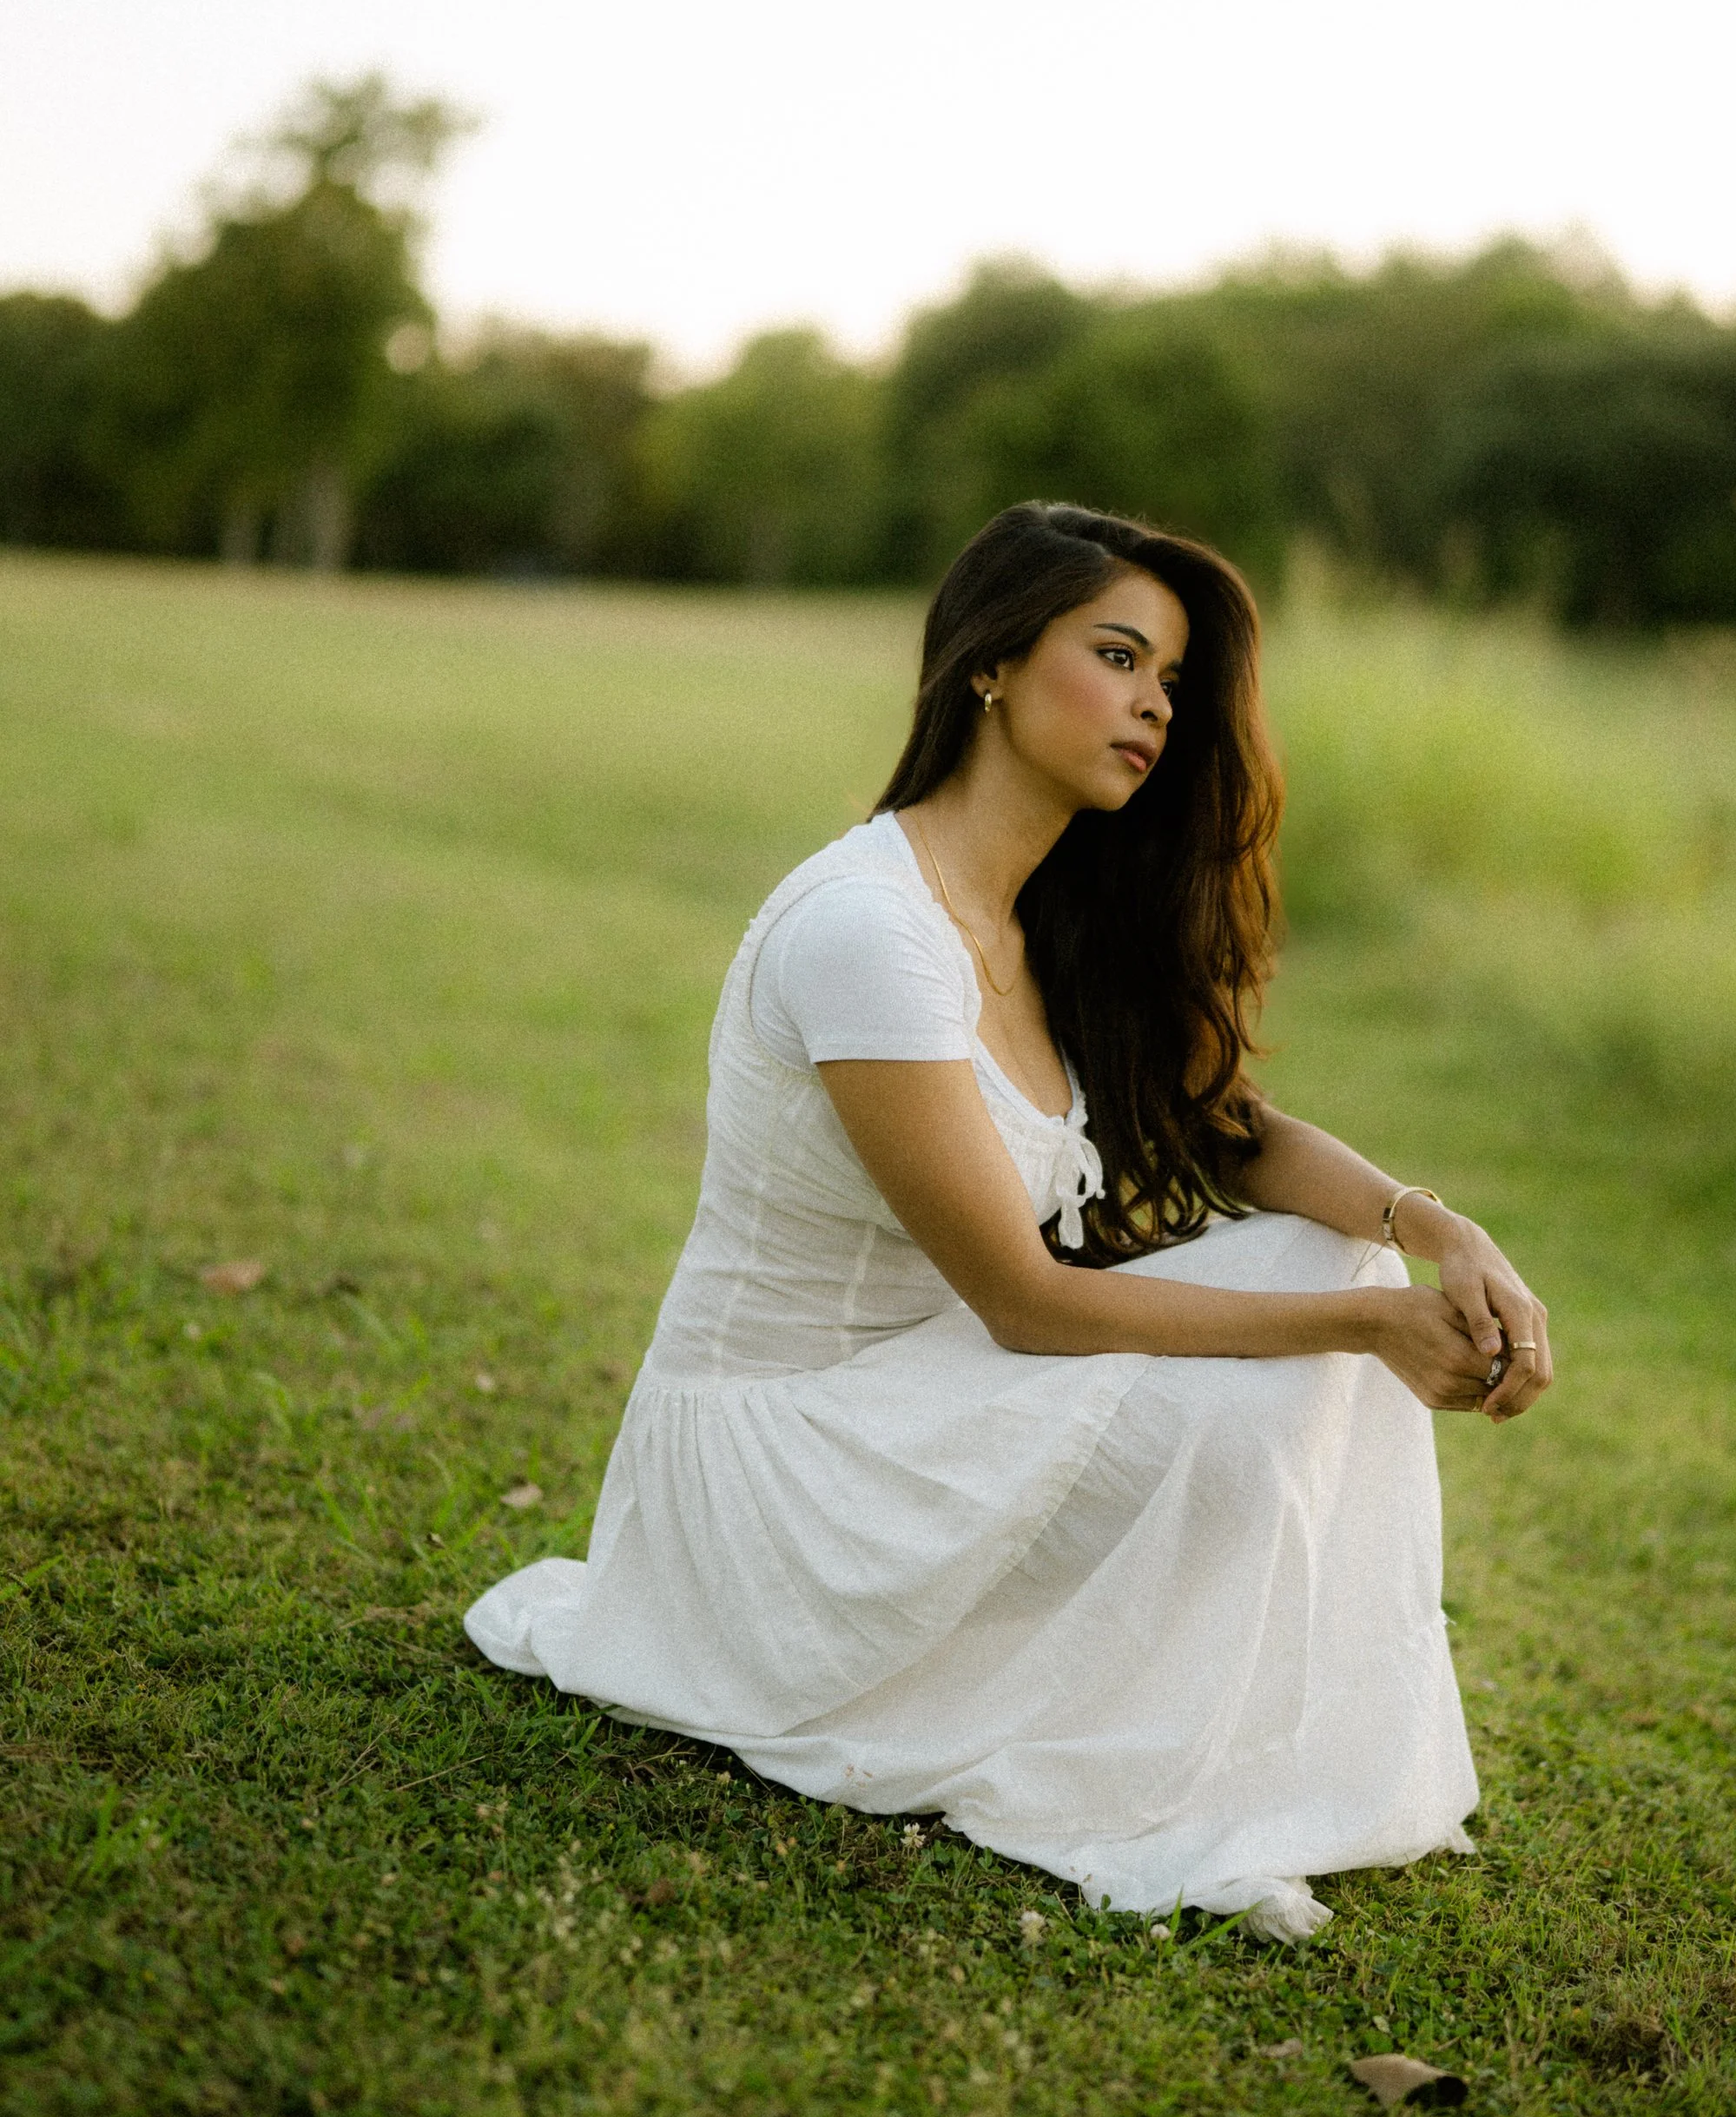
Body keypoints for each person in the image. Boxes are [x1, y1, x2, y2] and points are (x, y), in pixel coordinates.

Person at [466, 502, 1552, 1939]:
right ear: (990, 662)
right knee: (1324, 1303)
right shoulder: (869, 929)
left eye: (1171, 678)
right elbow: (1026, 1302)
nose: (1156, 705)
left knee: (1330, 1238)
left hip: (929, 1417)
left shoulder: (1049, 923)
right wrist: (1369, 1326)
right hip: (783, 1470)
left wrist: (1438, 1230)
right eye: (1117, 655)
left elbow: (1236, 1137)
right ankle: (1137, 1722)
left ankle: (1195, 1715)